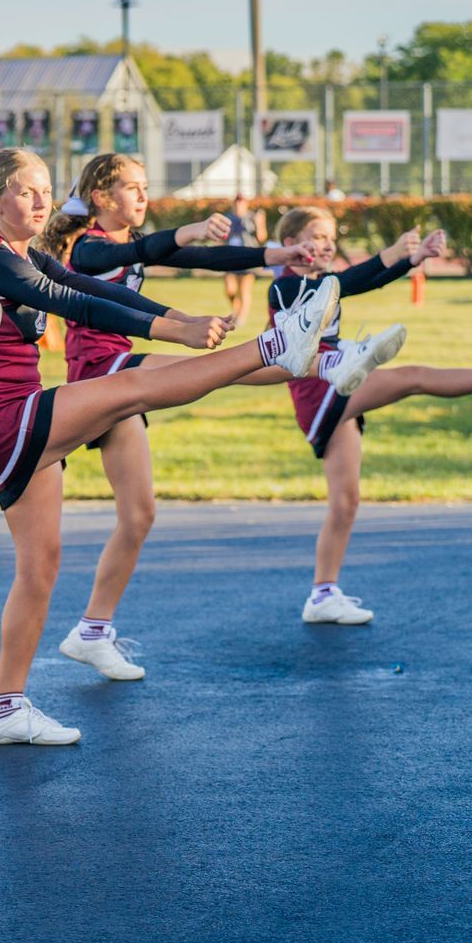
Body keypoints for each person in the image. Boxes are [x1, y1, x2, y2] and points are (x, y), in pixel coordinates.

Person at [0, 150, 344, 748]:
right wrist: (173, 331)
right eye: (27, 192)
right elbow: (78, 303)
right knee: (130, 386)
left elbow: (83, 286)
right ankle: (276, 349)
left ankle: (5, 708)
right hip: (1, 418)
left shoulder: (30, 254)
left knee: (40, 567)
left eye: (47, 191)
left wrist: (178, 316)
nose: (42, 202)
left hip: (24, 410)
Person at [36, 153, 329, 680]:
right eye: (132, 188)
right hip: (102, 371)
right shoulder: (90, 247)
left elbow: (213, 262)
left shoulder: (114, 243)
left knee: (140, 514)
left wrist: (281, 252)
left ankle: (92, 632)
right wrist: (189, 230)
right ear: (101, 197)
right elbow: (142, 249)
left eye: (146, 187)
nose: (143, 197)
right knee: (217, 370)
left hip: (117, 372)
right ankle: (308, 357)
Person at [265, 206, 472, 624]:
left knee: (346, 501)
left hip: (340, 382)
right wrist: (394, 255)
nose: (327, 244)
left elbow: (360, 281)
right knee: (412, 378)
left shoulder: (320, 283)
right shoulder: (284, 288)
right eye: (317, 235)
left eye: (332, 236)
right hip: (320, 390)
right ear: (291, 244)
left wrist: (411, 259)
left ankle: (322, 594)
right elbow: (350, 280)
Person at [221, 194, 267, 328]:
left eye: (241, 202)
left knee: (244, 289)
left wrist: (259, 224)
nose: (238, 204)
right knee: (230, 290)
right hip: (230, 257)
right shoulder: (228, 218)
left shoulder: (253, 217)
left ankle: (241, 317)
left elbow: (261, 237)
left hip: (248, 257)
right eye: (236, 202)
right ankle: (236, 310)